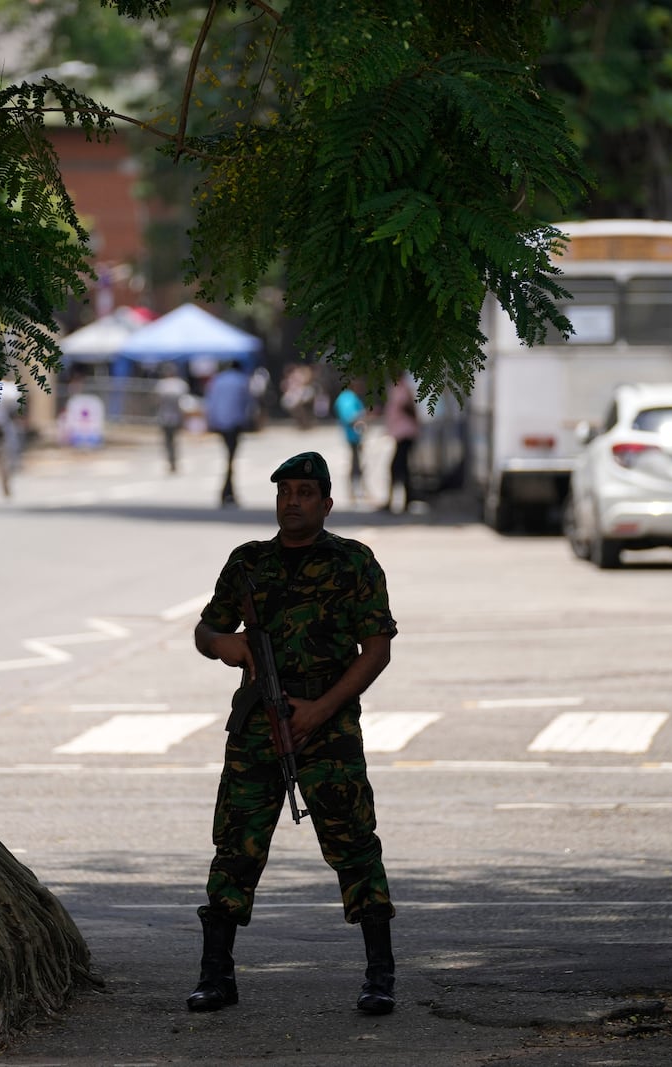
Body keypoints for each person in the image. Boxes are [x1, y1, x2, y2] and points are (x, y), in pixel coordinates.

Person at [188, 451, 399, 1016]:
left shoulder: (354, 563)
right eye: (285, 492)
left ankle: (380, 975)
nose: (293, 501)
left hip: (327, 725)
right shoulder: (248, 564)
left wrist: (321, 710)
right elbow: (208, 629)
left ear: (326, 503)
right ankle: (216, 975)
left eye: (305, 492)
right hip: (258, 726)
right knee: (235, 846)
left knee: (354, 844)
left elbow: (375, 651)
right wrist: (225, 645)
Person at [202, 361, 254, 507]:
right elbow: (249, 403)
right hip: (235, 423)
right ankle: (227, 492)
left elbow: (210, 402)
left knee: (229, 458)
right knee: (230, 458)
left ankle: (228, 491)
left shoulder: (218, 380)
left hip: (220, 422)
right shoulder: (242, 380)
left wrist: (211, 421)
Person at [382, 373, 419, 514]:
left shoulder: (402, 388)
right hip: (400, 433)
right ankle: (400, 500)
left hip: (405, 433)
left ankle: (401, 501)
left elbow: (408, 406)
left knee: (398, 468)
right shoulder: (396, 387)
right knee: (401, 469)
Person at [333, 380, 367, 502]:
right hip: (353, 435)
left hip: (354, 435)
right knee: (356, 464)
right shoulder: (348, 398)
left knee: (357, 462)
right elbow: (349, 417)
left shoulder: (345, 397)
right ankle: (355, 491)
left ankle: (357, 490)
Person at [154, 363, 190, 473]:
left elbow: (157, 401)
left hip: (168, 417)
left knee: (169, 441)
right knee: (172, 441)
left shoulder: (164, 385)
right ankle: (172, 461)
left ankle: (172, 461)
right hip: (171, 417)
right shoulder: (178, 384)